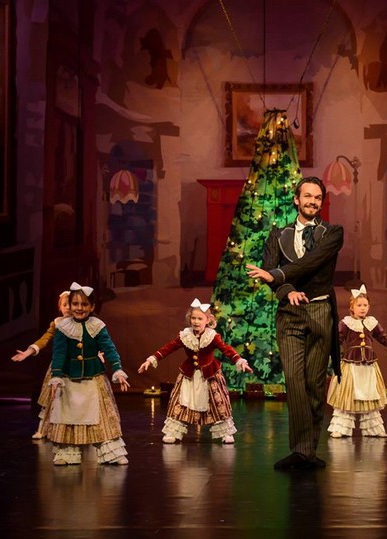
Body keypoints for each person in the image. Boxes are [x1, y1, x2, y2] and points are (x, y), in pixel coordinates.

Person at [246, 176, 343, 470]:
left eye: (318, 197)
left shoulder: (332, 233)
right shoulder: (279, 234)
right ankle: (301, 451)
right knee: (295, 382)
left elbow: (310, 263)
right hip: (290, 316)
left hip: (319, 312)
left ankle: (308, 452)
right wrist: (286, 290)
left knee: (314, 385)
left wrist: (277, 275)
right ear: (296, 200)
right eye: (308, 196)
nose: (313, 201)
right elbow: (270, 273)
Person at [137, 298, 253, 444]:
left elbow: (226, 349)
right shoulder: (185, 335)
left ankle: (225, 433)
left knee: (217, 403)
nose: (196, 321)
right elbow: (168, 348)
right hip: (189, 374)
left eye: (199, 318)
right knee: (179, 402)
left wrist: (239, 360)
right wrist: (151, 359)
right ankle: (173, 432)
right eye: (193, 318)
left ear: (207, 320)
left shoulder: (212, 336)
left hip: (209, 375)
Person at [47, 282, 130, 466]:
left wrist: (117, 368)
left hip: (93, 378)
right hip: (69, 379)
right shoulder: (63, 327)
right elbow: (59, 353)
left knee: (101, 417)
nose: (79, 308)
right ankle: (68, 452)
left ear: (92, 307)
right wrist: (56, 375)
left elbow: (109, 348)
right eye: (75, 304)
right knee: (68, 415)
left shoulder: (97, 326)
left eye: (84, 305)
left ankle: (111, 453)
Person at [326, 284, 387, 438]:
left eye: (365, 305)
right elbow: (336, 341)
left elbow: (384, 339)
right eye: (359, 305)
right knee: (347, 396)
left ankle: (373, 429)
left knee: (370, 395)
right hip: (351, 365)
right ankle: (340, 428)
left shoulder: (372, 322)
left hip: (368, 366)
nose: (362, 308)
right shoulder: (346, 323)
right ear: (352, 307)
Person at [11, 290, 71, 439]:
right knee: (51, 398)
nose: (68, 307)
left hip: (77, 367)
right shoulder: (57, 323)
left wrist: (97, 353)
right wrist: (28, 352)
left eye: (71, 304)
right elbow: (45, 339)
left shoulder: (83, 323)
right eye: (65, 304)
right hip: (59, 366)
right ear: (60, 307)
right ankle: (43, 429)